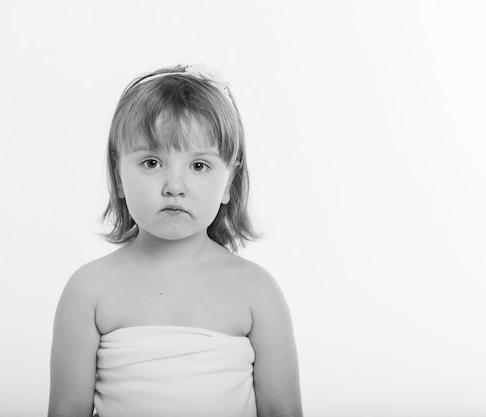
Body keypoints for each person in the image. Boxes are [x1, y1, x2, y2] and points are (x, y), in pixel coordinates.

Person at [48, 63, 302, 417]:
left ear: (229, 181)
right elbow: (67, 410)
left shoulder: (256, 291)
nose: (174, 186)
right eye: (152, 162)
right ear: (118, 176)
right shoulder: (89, 290)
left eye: (199, 166)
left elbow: (282, 410)